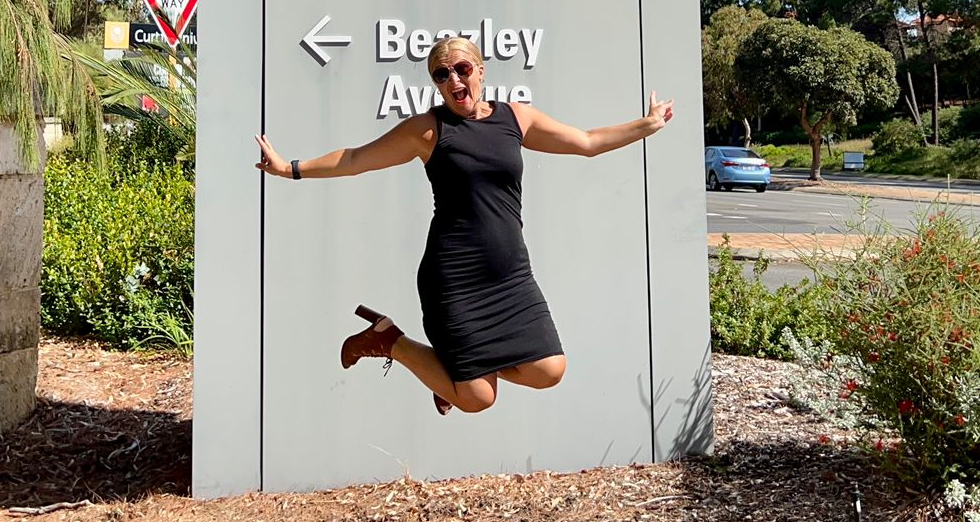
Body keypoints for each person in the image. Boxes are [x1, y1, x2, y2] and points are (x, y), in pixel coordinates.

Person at [253, 35, 674, 416]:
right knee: (477, 398)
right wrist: (290, 168)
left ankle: (449, 371)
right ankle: (390, 341)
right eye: (441, 74)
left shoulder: (515, 118)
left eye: (461, 69)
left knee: (550, 369)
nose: (453, 79)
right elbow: (355, 159)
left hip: (510, 278)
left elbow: (586, 142)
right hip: (453, 278)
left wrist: (648, 124)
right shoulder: (430, 130)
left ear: (480, 71)